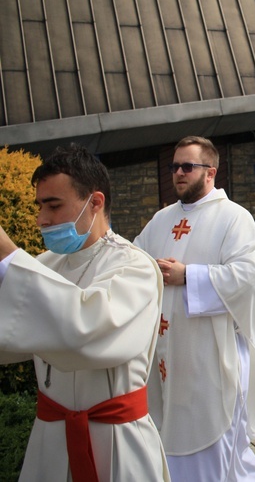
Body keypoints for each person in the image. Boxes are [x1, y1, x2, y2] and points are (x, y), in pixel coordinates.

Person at [0, 144, 169, 481]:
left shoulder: (134, 267)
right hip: (51, 435)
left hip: (115, 438)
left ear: (95, 202)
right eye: (40, 206)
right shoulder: (43, 265)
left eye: (54, 205)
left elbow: (85, 332)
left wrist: (6, 252)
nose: (42, 219)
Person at [134, 136, 255, 481]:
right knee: (174, 436)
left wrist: (188, 275)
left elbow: (248, 275)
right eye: (174, 166)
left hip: (212, 351)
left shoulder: (234, 218)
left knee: (222, 447)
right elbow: (135, 259)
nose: (178, 173)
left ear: (211, 172)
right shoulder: (161, 219)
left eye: (187, 166)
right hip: (167, 350)